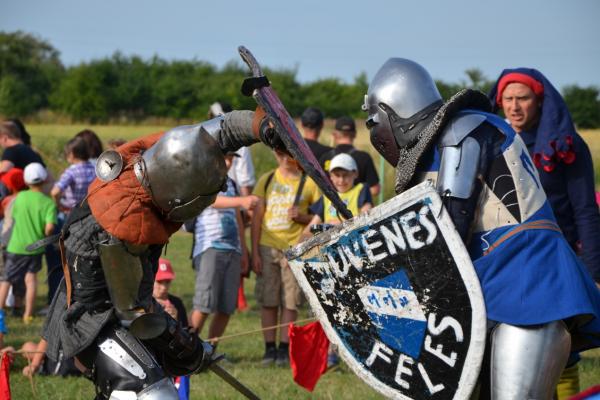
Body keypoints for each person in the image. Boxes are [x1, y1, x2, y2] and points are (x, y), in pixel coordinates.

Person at [362, 57, 600, 398]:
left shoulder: (463, 131)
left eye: (375, 121)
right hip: (490, 296)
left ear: (393, 112)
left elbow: (447, 227)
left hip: (526, 293)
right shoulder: (442, 146)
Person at [41, 106, 289, 399]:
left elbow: (222, 129)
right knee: (148, 391)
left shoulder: (169, 153)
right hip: (95, 323)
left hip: (118, 310)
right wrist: (188, 346)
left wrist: (262, 128)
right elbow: (136, 312)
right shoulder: (124, 223)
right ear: (180, 198)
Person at [489, 68, 600, 398]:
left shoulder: (566, 145)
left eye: (522, 98)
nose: (514, 106)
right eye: (507, 99)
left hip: (557, 262)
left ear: (539, 101)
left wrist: (594, 272)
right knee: (511, 349)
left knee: (560, 349)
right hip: (506, 263)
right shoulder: (491, 144)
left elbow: (585, 211)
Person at [251, 149, 320, 366]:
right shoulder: (267, 179)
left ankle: (284, 349)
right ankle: (269, 349)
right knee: (269, 301)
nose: (284, 159)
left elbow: (319, 216)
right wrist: (254, 252)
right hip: (267, 246)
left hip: (293, 249)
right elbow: (256, 218)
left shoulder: (309, 183)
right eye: (280, 154)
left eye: (288, 155)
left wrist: (303, 218)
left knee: (291, 301)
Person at [187, 151, 256, 342]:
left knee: (227, 307)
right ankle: (185, 351)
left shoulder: (231, 184)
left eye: (231, 159)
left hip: (232, 249)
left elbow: (238, 220)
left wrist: (243, 250)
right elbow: (212, 201)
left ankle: (209, 351)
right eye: (224, 157)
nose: (228, 163)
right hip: (209, 247)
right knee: (204, 304)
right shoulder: (204, 179)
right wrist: (242, 201)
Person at [0, 163, 56, 325]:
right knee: (31, 280)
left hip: (15, 246)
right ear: (44, 179)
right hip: (35, 248)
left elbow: (13, 217)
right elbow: (49, 228)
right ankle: (27, 315)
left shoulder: (19, 198)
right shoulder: (48, 203)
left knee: (6, 279)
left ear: (26, 180)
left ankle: (1, 312)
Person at [303, 153, 373, 236]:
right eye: (337, 175)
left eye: (345, 175)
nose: (341, 180)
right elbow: (310, 227)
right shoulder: (327, 197)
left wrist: (340, 225)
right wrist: (297, 245)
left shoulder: (361, 189)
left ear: (355, 174)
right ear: (331, 176)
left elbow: (366, 218)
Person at [319, 116, 380, 197]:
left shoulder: (325, 157)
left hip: (330, 207)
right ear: (354, 134)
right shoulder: (364, 157)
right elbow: (375, 189)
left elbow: (318, 187)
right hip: (358, 207)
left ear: (335, 134)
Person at [209, 102, 256, 196]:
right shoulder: (240, 142)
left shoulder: (207, 141)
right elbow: (245, 179)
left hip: (234, 200)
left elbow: (245, 180)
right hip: (231, 200)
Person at [50, 136, 96, 213]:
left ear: (71, 154)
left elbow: (55, 192)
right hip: (89, 211)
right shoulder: (95, 169)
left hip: (71, 211)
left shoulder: (71, 171)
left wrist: (59, 206)